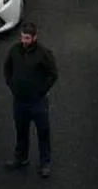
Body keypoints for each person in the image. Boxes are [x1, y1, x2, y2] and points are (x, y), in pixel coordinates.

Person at [3, 23, 58, 178]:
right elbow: (7, 68)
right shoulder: (14, 50)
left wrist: (41, 91)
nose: (24, 41)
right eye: (22, 37)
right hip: (19, 100)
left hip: (37, 102)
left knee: (43, 132)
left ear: (34, 37)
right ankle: (21, 157)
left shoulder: (43, 54)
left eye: (27, 38)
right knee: (21, 130)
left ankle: (45, 163)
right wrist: (11, 84)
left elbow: (53, 74)